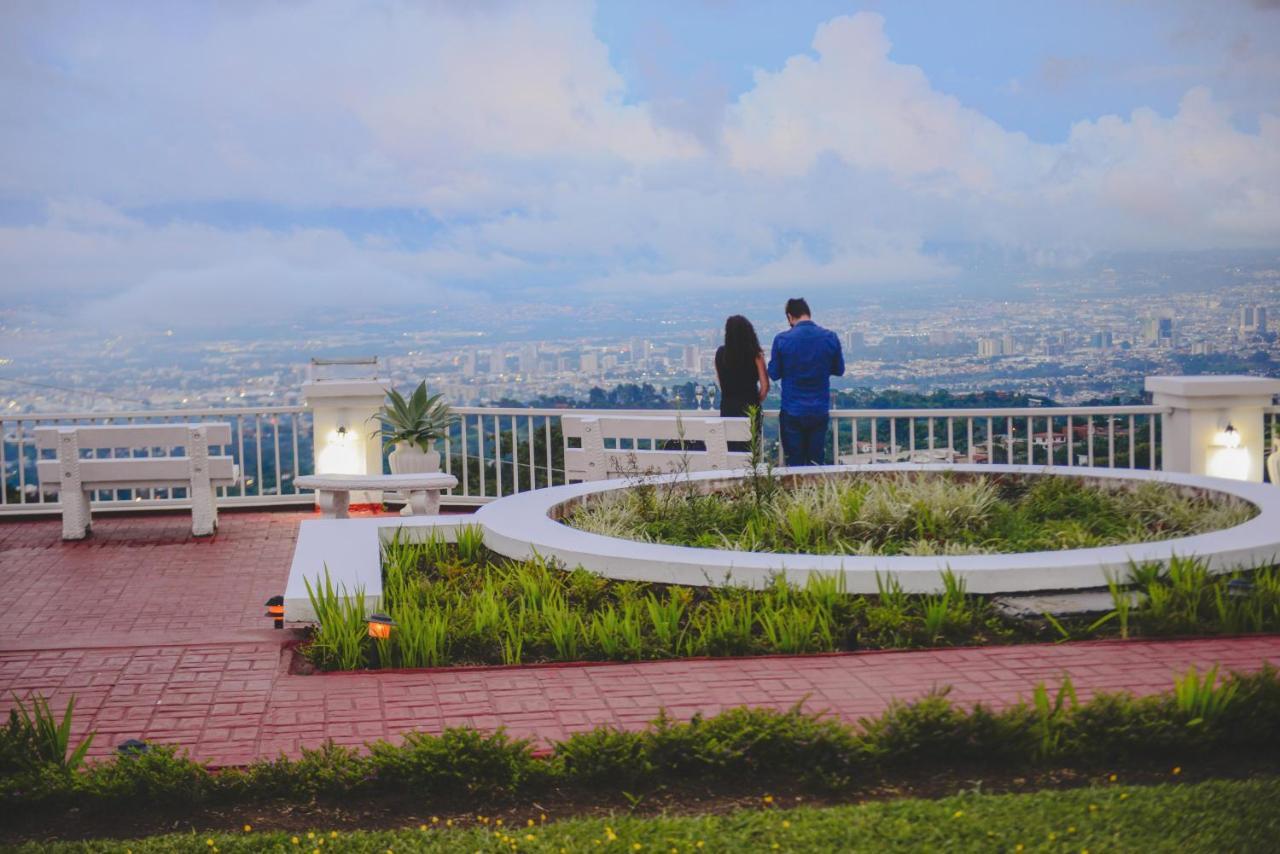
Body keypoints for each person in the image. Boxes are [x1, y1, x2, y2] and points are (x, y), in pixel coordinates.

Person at [767, 297, 844, 466]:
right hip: (819, 409)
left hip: (792, 409)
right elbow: (839, 369)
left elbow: (774, 373)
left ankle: (796, 490)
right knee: (816, 462)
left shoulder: (782, 340)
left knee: (794, 463)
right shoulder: (830, 337)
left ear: (789, 316)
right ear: (808, 313)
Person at [715, 315, 769, 451]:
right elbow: (765, 387)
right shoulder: (756, 355)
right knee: (750, 452)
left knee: (731, 450)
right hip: (749, 408)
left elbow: (721, 385)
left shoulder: (720, 354)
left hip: (728, 408)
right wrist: (755, 400)